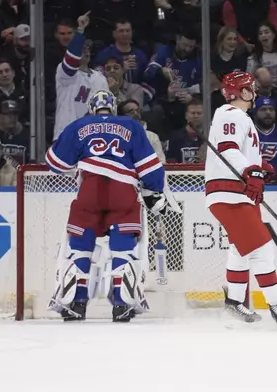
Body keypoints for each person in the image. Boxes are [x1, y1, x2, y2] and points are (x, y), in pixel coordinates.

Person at [45, 90, 166, 322]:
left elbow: (54, 162)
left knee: (80, 248)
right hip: (123, 191)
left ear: (91, 108)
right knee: (122, 249)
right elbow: (150, 167)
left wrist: (81, 158)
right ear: (113, 108)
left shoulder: (79, 125)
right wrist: (153, 191)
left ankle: (76, 303)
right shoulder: (130, 126)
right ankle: (122, 304)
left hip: (90, 191)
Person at [205, 71, 277, 330]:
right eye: (251, 88)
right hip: (228, 192)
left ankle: (234, 301)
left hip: (238, 193)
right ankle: (276, 304)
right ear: (242, 92)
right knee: (262, 248)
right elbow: (228, 150)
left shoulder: (239, 118)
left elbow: (237, 152)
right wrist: (250, 171)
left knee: (241, 249)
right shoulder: (230, 115)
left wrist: (258, 166)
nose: (255, 92)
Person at [53, 11, 109, 141]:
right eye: (81, 49)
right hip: (67, 135)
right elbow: (72, 59)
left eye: (87, 48)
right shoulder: (64, 72)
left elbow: (105, 111)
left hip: (93, 138)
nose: (85, 51)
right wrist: (80, 30)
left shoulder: (100, 77)